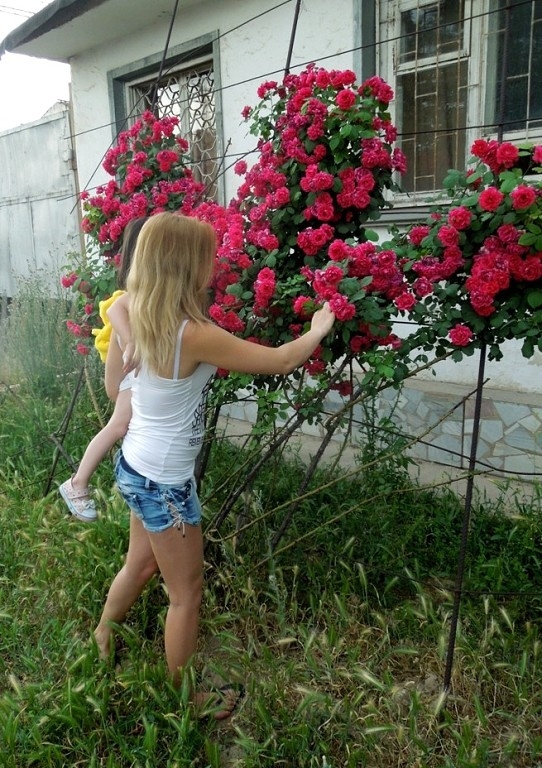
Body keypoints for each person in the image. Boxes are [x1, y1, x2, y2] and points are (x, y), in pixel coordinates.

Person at [93, 212, 335, 719]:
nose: (215, 263)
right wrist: (318, 329)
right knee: (186, 595)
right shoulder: (194, 333)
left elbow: (117, 391)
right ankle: (186, 698)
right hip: (165, 482)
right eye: (207, 255)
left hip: (135, 464)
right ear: (185, 264)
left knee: (140, 563)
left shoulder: (134, 316)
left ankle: (103, 635)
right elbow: (281, 360)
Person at [59, 217, 148, 522]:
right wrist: (130, 339)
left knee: (125, 426)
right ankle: (77, 482)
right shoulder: (130, 295)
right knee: (119, 423)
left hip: (136, 374)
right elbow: (114, 311)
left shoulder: (147, 292)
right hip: (129, 374)